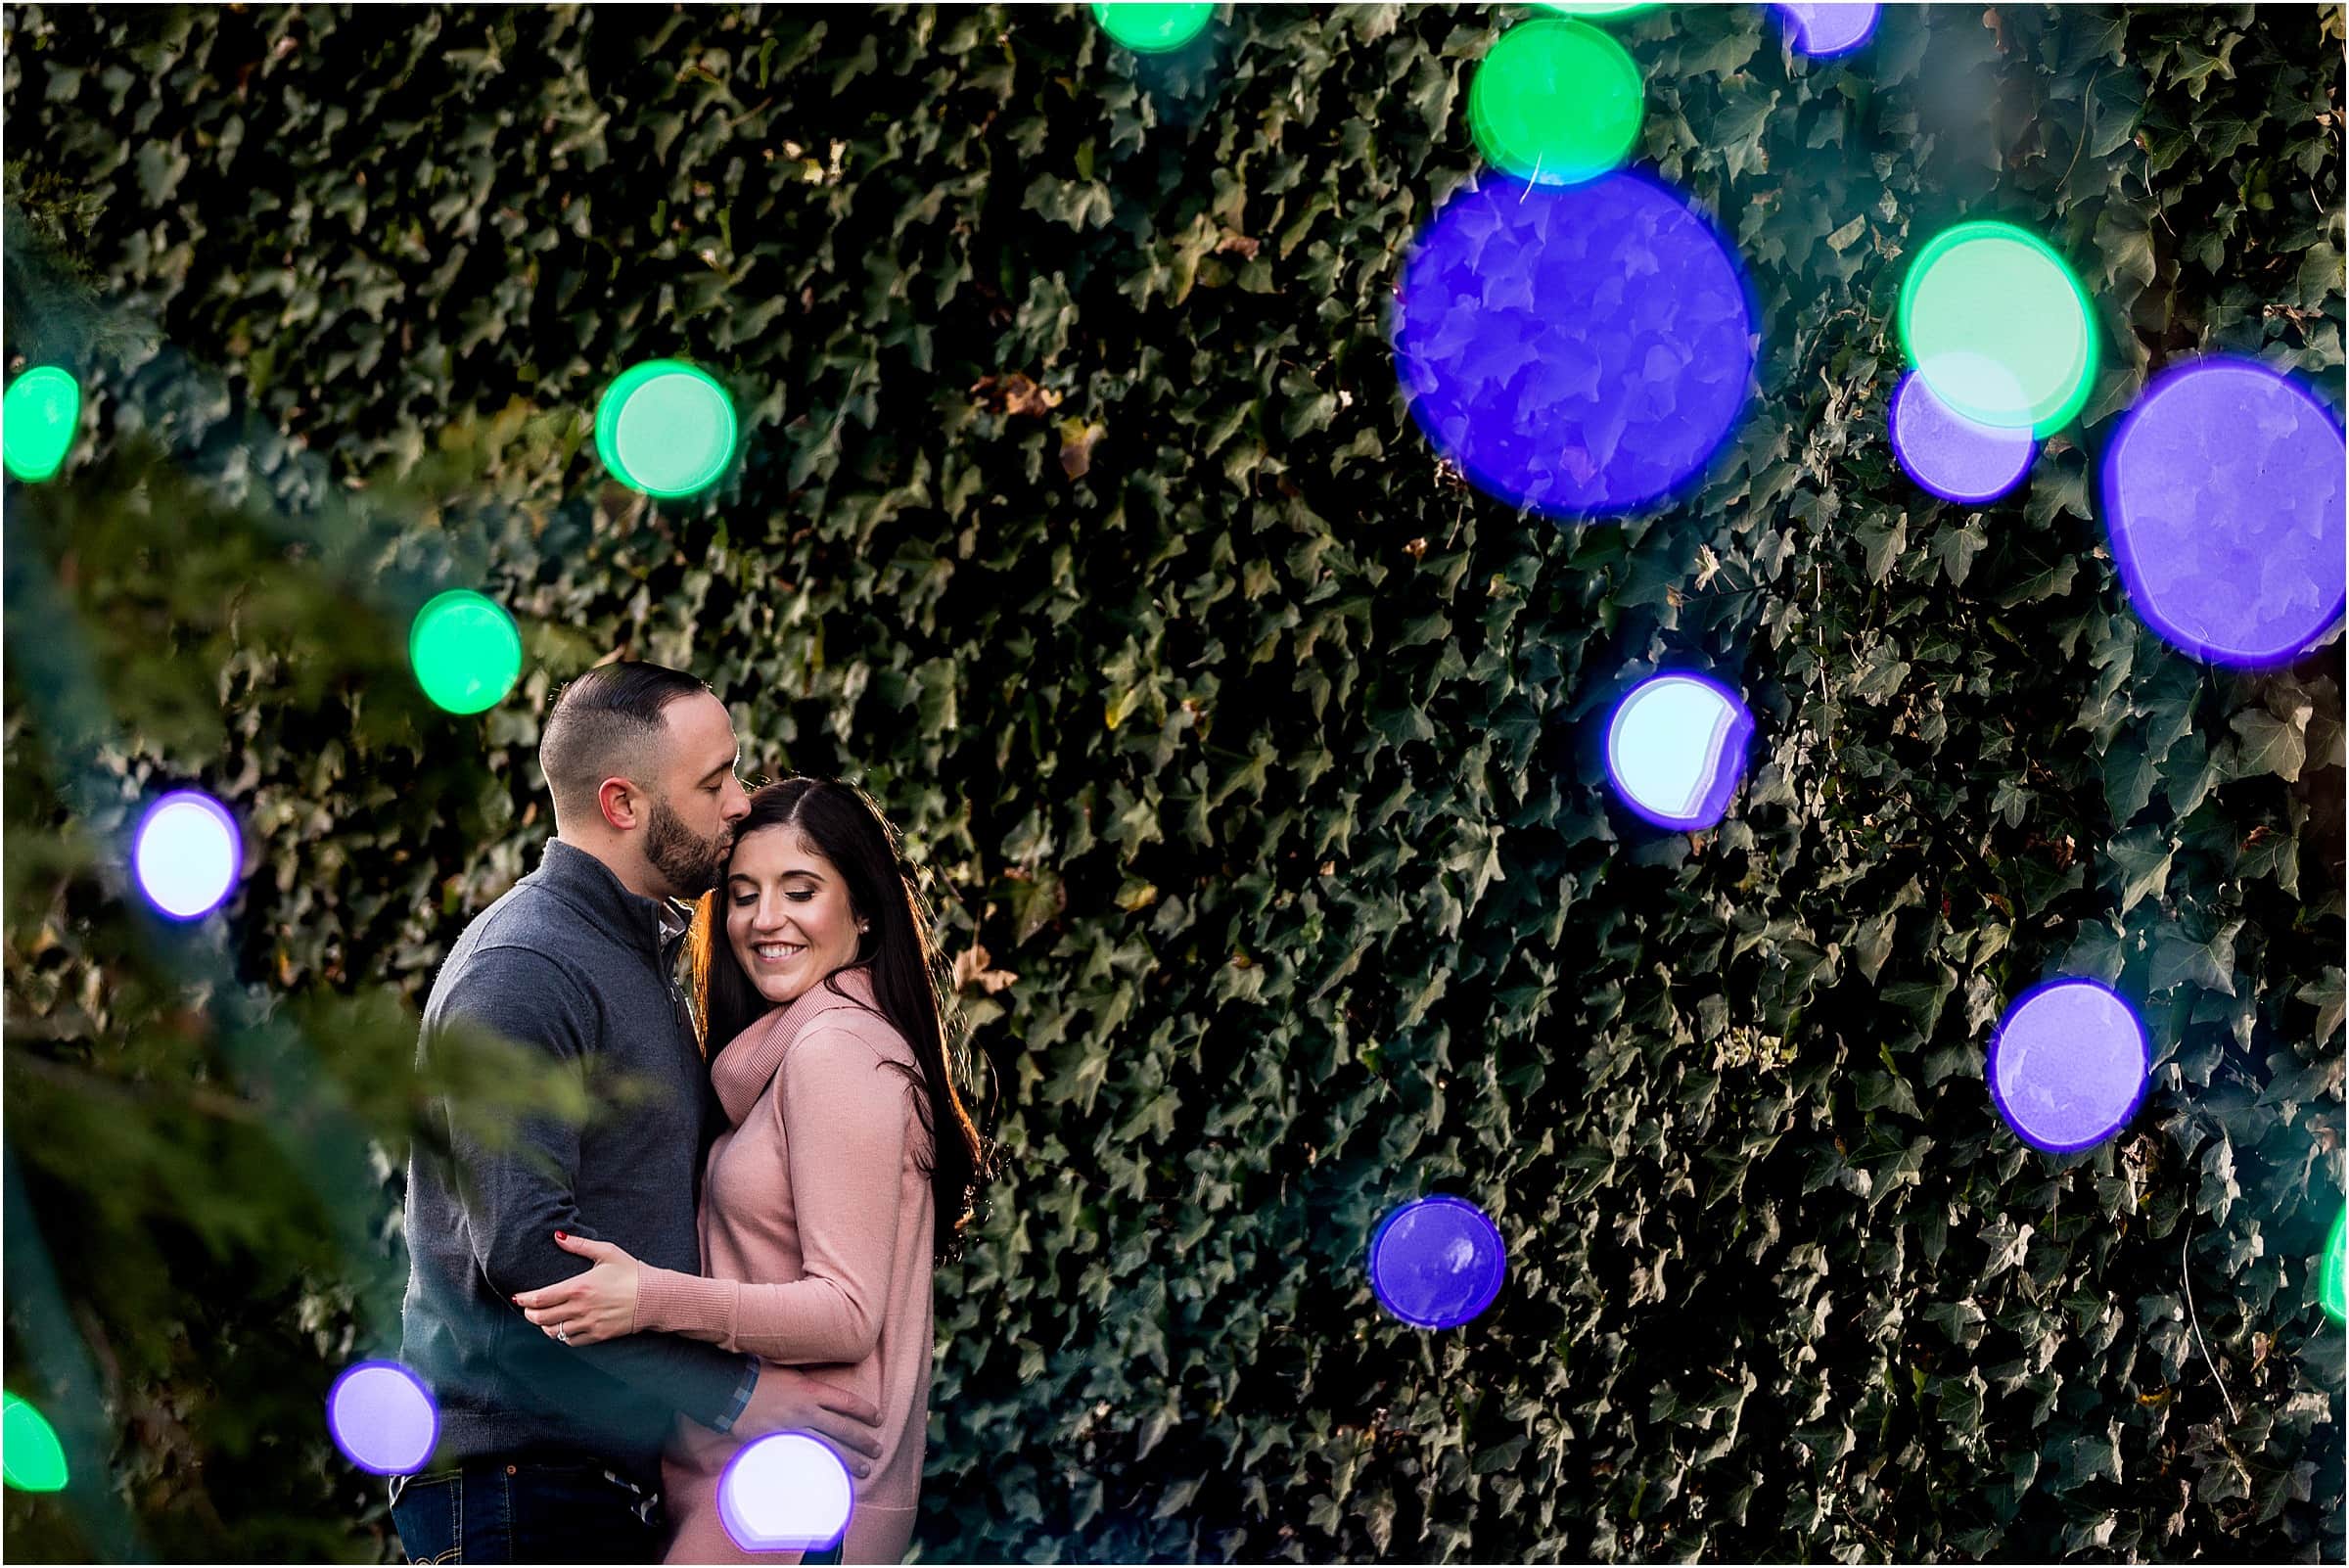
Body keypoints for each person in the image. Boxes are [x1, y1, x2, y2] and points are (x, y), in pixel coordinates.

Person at [394, 666, 887, 1565]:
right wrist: (739, 1395)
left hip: (590, 1486)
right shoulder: (526, 969)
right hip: (516, 1488)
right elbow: (529, 1253)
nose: (740, 803)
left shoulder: (640, 951)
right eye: (714, 783)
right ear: (623, 802)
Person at [513, 778, 987, 1564]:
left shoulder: (840, 1052)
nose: (766, 919)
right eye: (743, 894)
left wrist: (646, 1300)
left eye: (801, 891)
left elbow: (844, 1313)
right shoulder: (783, 1057)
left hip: (795, 1493)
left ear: (864, 911)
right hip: (751, 1485)